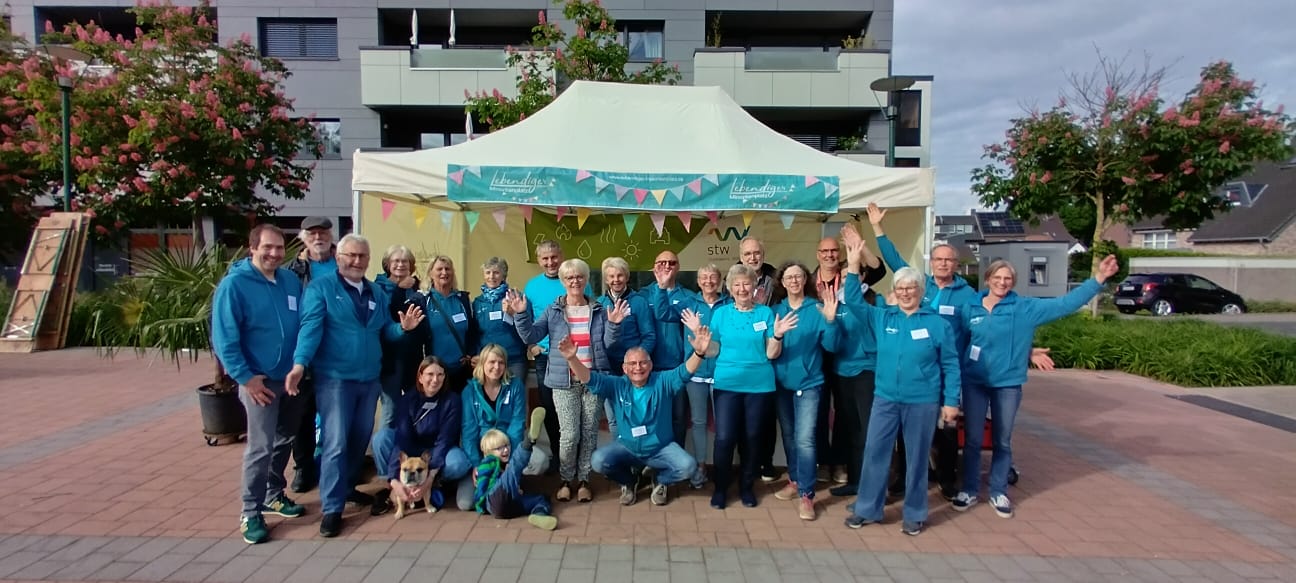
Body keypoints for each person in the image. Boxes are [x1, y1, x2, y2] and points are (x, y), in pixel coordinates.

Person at [952, 253, 1120, 519]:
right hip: (974, 383)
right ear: (987, 279)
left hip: (1007, 384)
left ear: (1013, 282)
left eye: (1008, 279)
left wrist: (1099, 279)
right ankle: (970, 489)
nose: (1002, 282)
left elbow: (1066, 304)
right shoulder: (970, 307)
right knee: (972, 439)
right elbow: (960, 345)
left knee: (1002, 440)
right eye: (997, 278)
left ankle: (998, 490)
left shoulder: (1025, 308)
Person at [287, 234, 426, 537]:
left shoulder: (375, 291)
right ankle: (332, 508)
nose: (357, 261)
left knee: (358, 438)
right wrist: (300, 364)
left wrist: (402, 329)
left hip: (369, 379)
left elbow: (383, 332)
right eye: (351, 255)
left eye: (362, 256)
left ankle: (347, 487)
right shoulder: (321, 288)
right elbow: (310, 328)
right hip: (335, 378)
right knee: (335, 443)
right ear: (339, 257)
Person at [839, 257, 962, 537]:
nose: (906, 293)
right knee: (875, 453)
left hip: (922, 401)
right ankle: (868, 508)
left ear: (920, 291)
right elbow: (854, 301)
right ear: (895, 291)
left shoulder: (937, 324)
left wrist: (951, 401)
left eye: (911, 288)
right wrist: (855, 264)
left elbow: (951, 365)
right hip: (885, 398)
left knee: (917, 459)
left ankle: (915, 513)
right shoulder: (883, 317)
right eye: (901, 288)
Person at [866, 204, 977, 500]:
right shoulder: (919, 284)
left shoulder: (967, 294)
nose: (943, 264)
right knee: (907, 432)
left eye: (948, 260)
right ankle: (903, 478)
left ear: (956, 264)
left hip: (945, 370)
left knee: (947, 429)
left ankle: (946, 479)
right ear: (932, 262)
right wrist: (878, 228)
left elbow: (982, 327)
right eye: (938, 259)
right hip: (915, 375)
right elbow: (893, 260)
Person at [212, 224, 306, 544]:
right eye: (268, 247)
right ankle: (250, 510)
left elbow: (303, 324)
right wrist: (246, 378)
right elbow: (224, 337)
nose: (274, 254)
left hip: (290, 379)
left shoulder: (290, 281)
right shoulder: (234, 286)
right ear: (252, 247)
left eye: (279, 248)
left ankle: (273, 493)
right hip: (259, 382)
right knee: (261, 446)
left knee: (284, 439)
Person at [509, 259, 627, 503]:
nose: (575, 281)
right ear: (563, 282)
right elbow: (531, 335)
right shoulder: (553, 311)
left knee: (589, 432)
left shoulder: (597, 309)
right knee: (570, 434)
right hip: (563, 381)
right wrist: (521, 314)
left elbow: (609, 344)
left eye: (579, 277)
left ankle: (583, 480)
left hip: (593, 380)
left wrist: (614, 325)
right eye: (570, 278)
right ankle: (565, 479)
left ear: (586, 280)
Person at [561, 326, 711, 507]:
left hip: (660, 448)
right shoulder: (616, 385)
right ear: (624, 368)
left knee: (688, 466)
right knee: (598, 461)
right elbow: (590, 379)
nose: (638, 368)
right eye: (632, 364)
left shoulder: (663, 381)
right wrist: (572, 359)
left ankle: (660, 480)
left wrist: (699, 353)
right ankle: (629, 482)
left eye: (642, 363)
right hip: (628, 448)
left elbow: (684, 372)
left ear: (650, 365)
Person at [686, 264, 797, 509]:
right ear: (730, 289)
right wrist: (702, 344)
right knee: (725, 438)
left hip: (760, 386)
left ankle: (747, 487)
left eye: (746, 283)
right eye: (736, 284)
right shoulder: (721, 314)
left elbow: (771, 353)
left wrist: (777, 336)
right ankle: (721, 488)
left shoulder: (765, 314)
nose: (742, 288)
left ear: (754, 287)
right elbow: (714, 350)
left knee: (753, 438)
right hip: (727, 384)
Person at [811, 229, 886, 494]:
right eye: (825, 251)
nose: (830, 256)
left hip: (864, 368)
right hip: (824, 361)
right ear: (818, 255)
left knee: (857, 424)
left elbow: (878, 269)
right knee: (827, 415)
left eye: (835, 251)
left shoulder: (872, 299)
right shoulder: (811, 282)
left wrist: (860, 248)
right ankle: (836, 468)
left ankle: (860, 476)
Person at [770, 261, 839, 521]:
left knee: (805, 439)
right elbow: (769, 349)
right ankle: (796, 479)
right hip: (782, 385)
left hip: (809, 384)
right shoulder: (776, 310)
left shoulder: (817, 309)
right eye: (789, 277)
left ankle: (807, 495)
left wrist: (831, 321)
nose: (794, 281)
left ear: (805, 280)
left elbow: (832, 347)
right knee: (789, 436)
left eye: (798, 276)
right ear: (782, 282)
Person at [661, 264, 731, 488]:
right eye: (703, 277)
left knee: (724, 425)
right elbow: (663, 312)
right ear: (698, 282)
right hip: (695, 374)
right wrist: (662, 287)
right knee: (699, 422)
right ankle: (700, 466)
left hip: (723, 373)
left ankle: (722, 468)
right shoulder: (689, 302)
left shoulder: (729, 304)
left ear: (720, 280)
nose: (709, 281)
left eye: (713, 277)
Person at [370, 356, 470, 516]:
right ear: (420, 376)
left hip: (435, 449)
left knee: (459, 464)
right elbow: (402, 439)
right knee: (381, 439)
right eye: (430, 374)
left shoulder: (452, 400)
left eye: (440, 375)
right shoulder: (407, 399)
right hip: (410, 448)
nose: (435, 380)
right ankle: (394, 488)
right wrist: (394, 479)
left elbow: (445, 440)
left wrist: (429, 479)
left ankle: (433, 485)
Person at [522, 240, 586, 474]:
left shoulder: (577, 281)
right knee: (550, 408)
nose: (550, 262)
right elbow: (526, 320)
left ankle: (578, 459)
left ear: (561, 256)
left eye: (554, 257)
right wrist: (532, 345)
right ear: (538, 261)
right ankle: (561, 461)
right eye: (545, 258)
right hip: (546, 359)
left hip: (575, 357)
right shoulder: (531, 286)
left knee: (576, 409)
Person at [284, 216, 337, 494]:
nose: (319, 238)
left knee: (335, 417)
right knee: (302, 416)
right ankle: (304, 468)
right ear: (304, 238)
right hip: (304, 354)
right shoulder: (292, 271)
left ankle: (333, 467)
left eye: (323, 233)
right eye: (313, 234)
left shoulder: (344, 263)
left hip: (335, 354)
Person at [457, 344, 530, 511]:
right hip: (482, 452)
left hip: (507, 449)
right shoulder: (469, 391)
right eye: (491, 362)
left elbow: (518, 423)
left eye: (501, 362)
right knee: (465, 504)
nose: (496, 367)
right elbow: (468, 432)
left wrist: (509, 458)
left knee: (538, 462)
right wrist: (477, 464)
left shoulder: (515, 385)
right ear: (482, 363)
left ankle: (509, 479)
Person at [739, 237, 784, 483]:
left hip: (770, 356)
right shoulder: (732, 278)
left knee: (766, 415)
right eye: (747, 254)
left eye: (756, 253)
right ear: (741, 256)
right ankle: (747, 462)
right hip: (743, 358)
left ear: (763, 254)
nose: (752, 258)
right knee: (742, 415)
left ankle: (766, 462)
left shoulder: (776, 280)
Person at [597, 256, 656, 437]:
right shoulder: (599, 304)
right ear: (606, 279)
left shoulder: (639, 302)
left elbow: (649, 336)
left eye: (620, 275)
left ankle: (637, 460)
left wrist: (637, 362)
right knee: (614, 418)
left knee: (636, 416)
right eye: (612, 276)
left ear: (627, 277)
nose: (616, 280)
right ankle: (619, 457)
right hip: (609, 369)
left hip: (633, 370)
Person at [470, 416, 558, 530]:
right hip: (493, 501)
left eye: (506, 445)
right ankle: (528, 441)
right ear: (489, 452)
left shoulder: (503, 466)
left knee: (542, 499)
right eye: (499, 448)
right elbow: (484, 488)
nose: (505, 450)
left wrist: (516, 489)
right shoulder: (488, 462)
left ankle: (539, 515)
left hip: (509, 506)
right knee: (513, 467)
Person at [375, 245, 424, 430]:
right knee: (391, 410)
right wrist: (396, 287)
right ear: (387, 264)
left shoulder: (417, 287)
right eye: (396, 261)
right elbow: (382, 312)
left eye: (405, 261)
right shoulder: (379, 286)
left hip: (414, 356)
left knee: (415, 406)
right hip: (390, 359)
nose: (400, 265)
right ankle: (385, 454)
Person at [423, 255, 476, 391]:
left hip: (461, 371)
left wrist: (470, 353)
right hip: (435, 373)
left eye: (448, 269)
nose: (444, 273)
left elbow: (472, 330)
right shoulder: (424, 301)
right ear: (430, 273)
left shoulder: (463, 300)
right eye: (439, 269)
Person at [473, 257, 527, 382]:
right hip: (488, 362)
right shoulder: (477, 302)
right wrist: (476, 353)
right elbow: (474, 332)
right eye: (488, 272)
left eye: (496, 273)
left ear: (504, 276)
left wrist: (513, 314)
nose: (491, 276)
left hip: (513, 360)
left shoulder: (515, 297)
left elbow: (526, 328)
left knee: (514, 397)